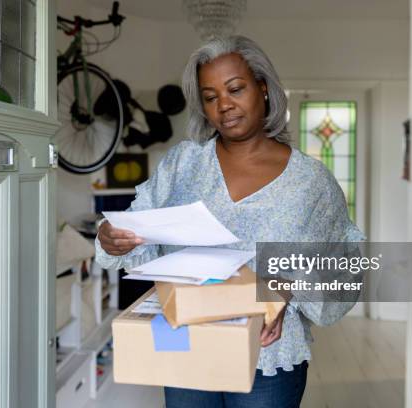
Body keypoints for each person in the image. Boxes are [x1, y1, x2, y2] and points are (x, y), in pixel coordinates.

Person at [95, 35, 364, 408]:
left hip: (267, 357)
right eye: (210, 96)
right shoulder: (183, 165)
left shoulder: (310, 182)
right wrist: (112, 238)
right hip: (186, 345)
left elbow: (346, 260)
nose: (224, 104)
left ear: (264, 89)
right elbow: (137, 229)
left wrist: (287, 288)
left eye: (235, 89)